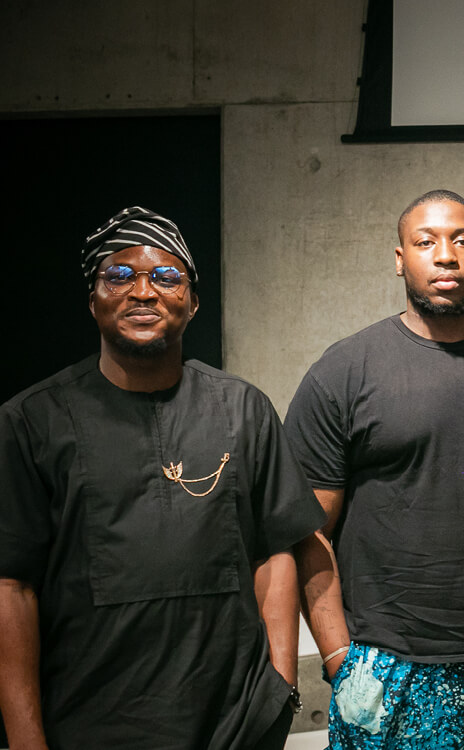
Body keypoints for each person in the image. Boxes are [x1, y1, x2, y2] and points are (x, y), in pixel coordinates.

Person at [0, 207, 324, 749]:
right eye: (119, 276)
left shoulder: (242, 409)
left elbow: (276, 551)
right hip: (87, 724)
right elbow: (11, 586)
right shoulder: (31, 422)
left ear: (192, 302)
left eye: (167, 277)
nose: (143, 292)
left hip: (232, 724)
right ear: (92, 300)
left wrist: (279, 690)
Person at [285, 190, 464, 748]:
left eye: (462, 241)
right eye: (426, 242)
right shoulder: (343, 372)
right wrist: (339, 657)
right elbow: (308, 531)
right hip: (392, 664)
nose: (445, 255)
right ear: (400, 259)